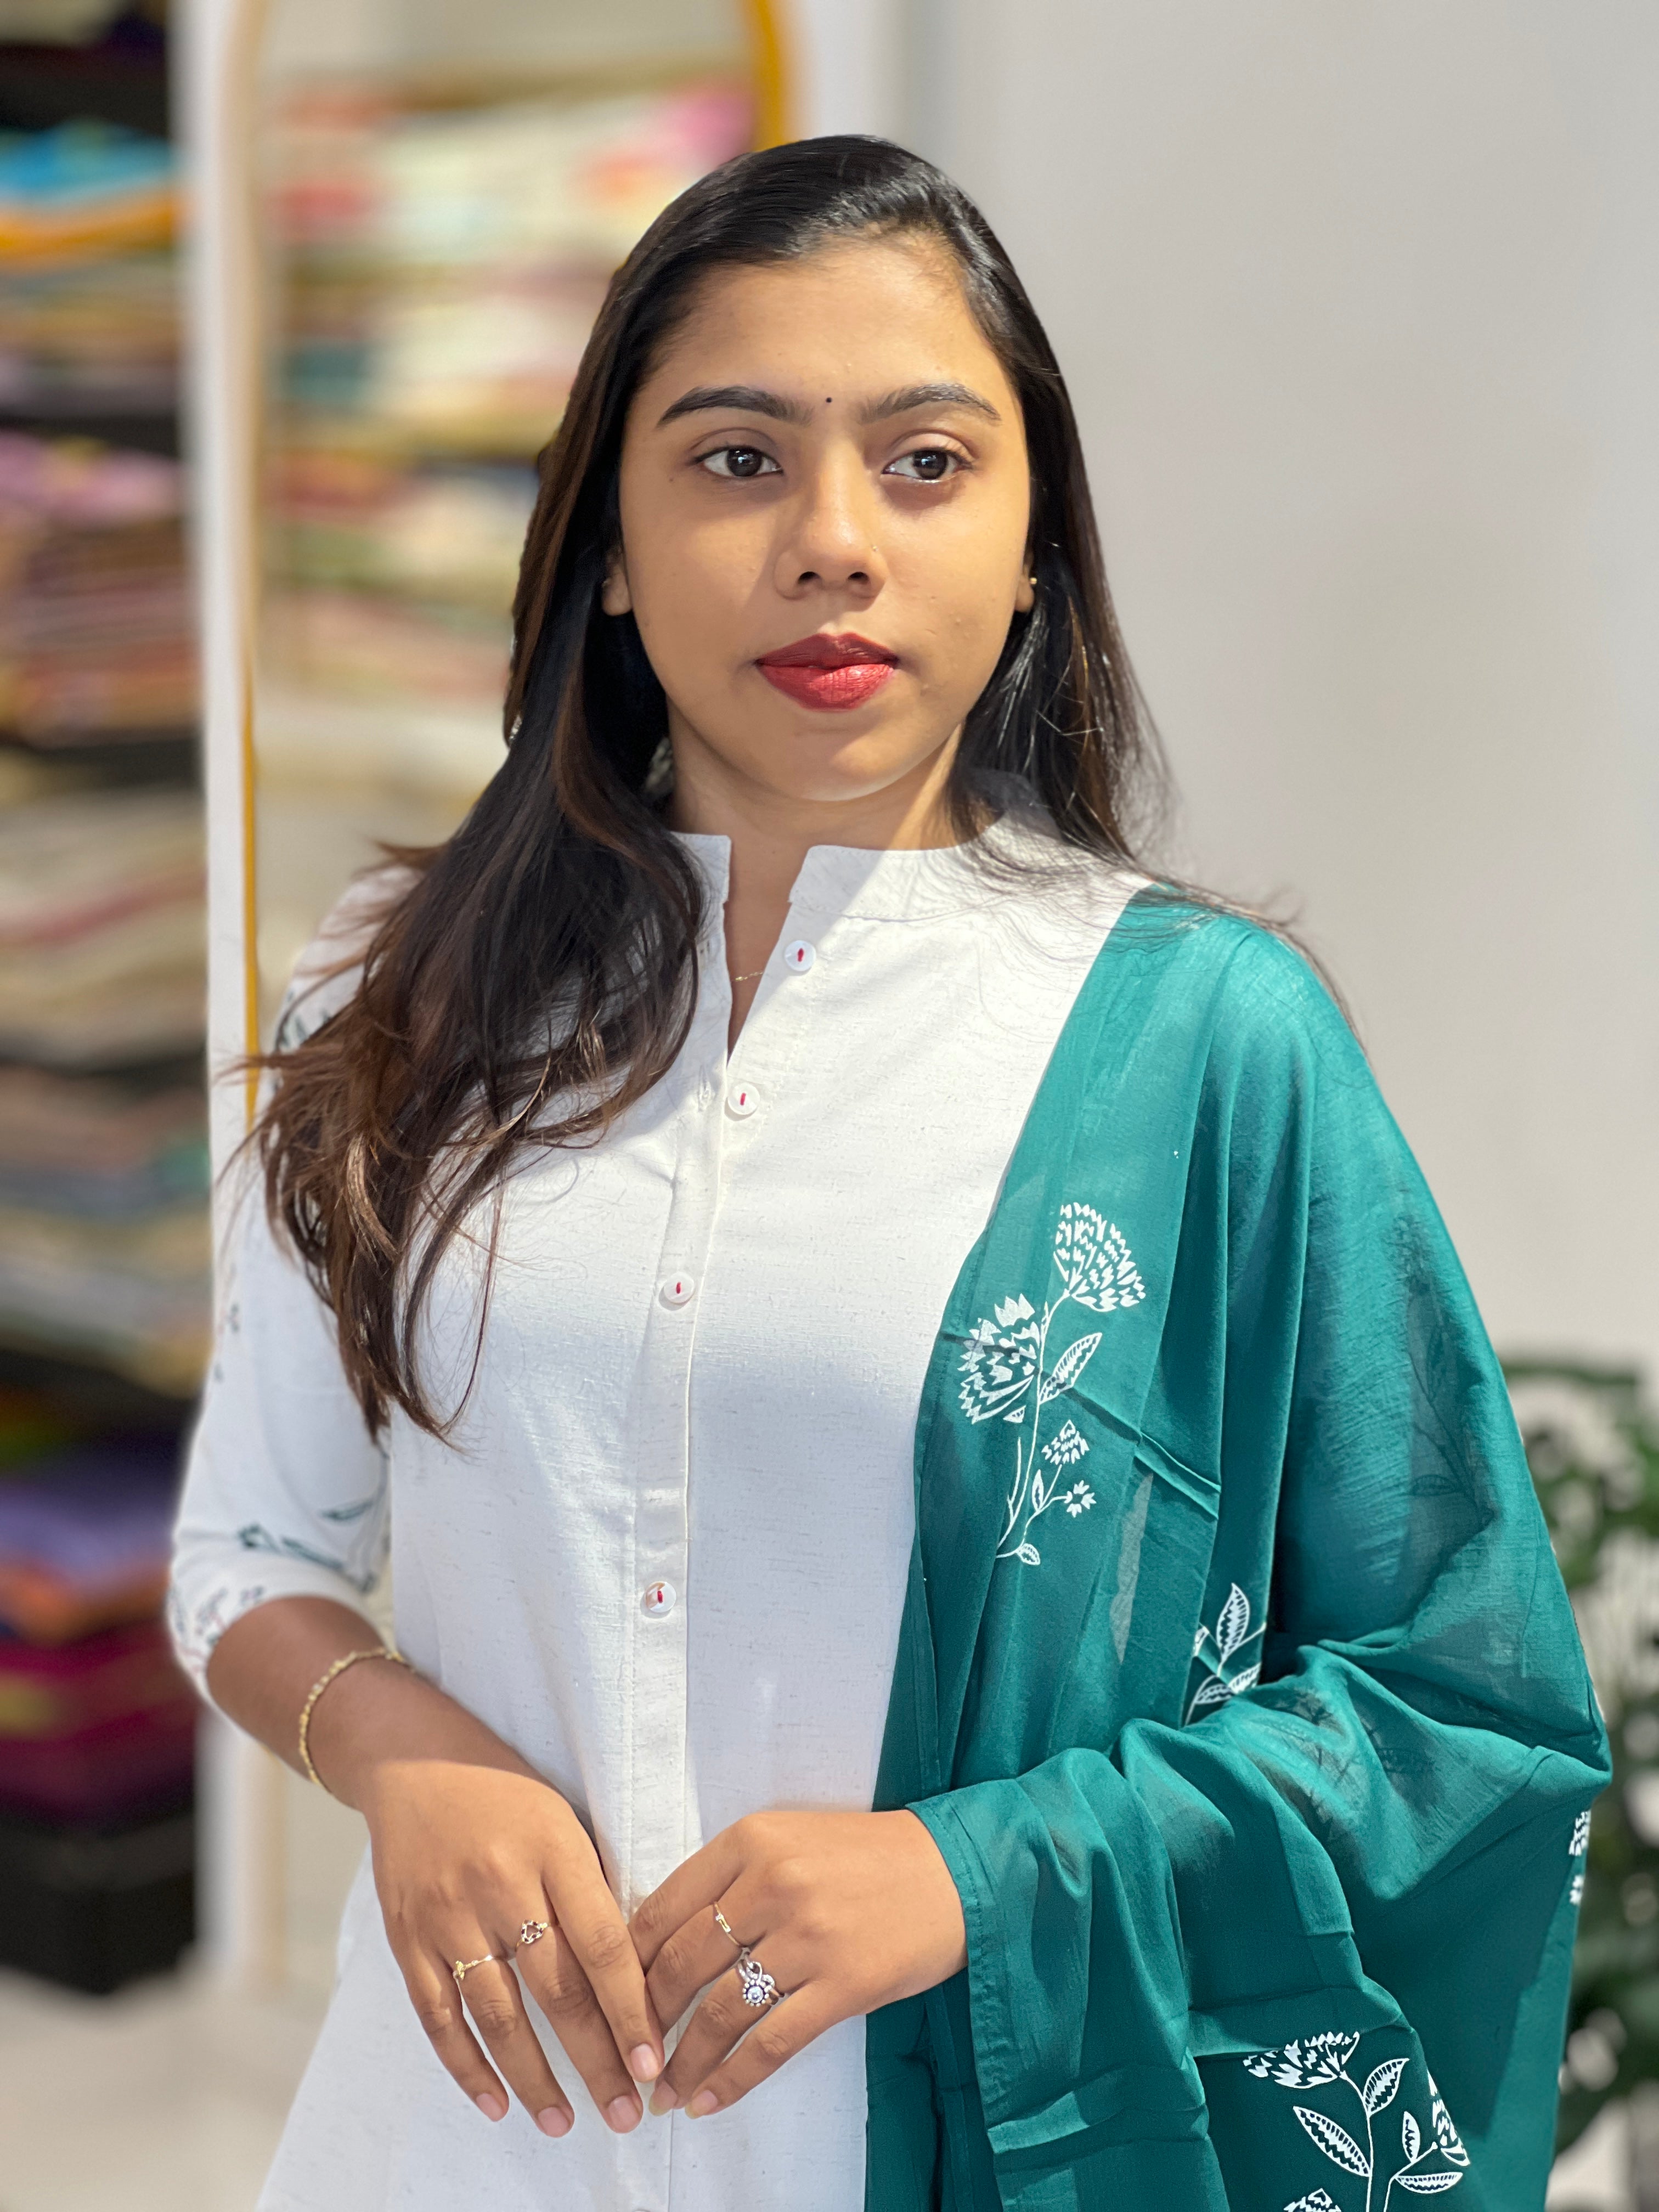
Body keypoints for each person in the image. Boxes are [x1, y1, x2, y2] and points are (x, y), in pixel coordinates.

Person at [170, 136, 1607, 2211]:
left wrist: (963, 1874)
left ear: (1032, 550)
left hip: (957, 2148)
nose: (832, 543)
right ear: (607, 546)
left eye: (927, 463)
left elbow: (1460, 1705)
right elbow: (244, 1554)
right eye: (736, 460)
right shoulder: (402, 991)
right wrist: (402, 1752)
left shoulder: (1202, 1045)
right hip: (451, 2146)